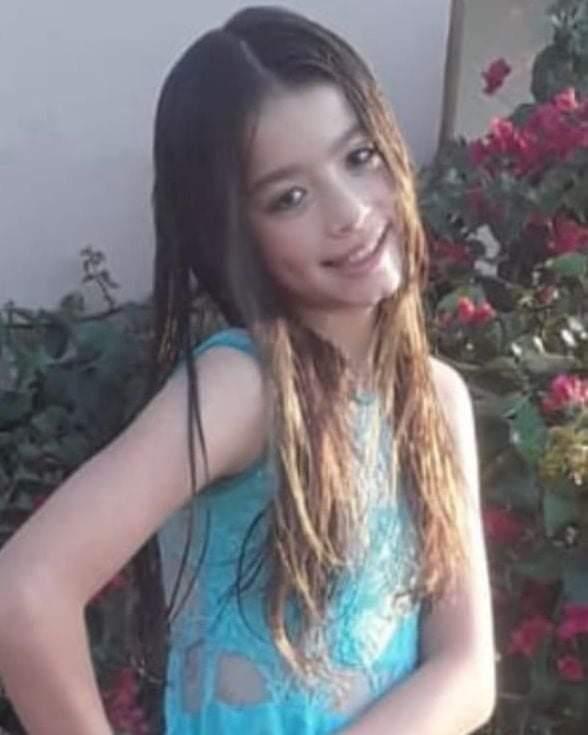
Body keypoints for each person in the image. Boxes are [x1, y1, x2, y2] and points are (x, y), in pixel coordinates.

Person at [0, 6, 496, 734]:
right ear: (234, 230)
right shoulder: (248, 387)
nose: (350, 212)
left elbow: (467, 670)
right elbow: (26, 592)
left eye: (359, 157)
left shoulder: (434, 397)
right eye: (289, 197)